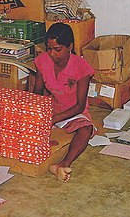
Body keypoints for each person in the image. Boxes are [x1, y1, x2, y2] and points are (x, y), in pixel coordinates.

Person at [32, 23, 96, 182]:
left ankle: (63, 164)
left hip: (73, 112)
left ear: (70, 46)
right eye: (49, 48)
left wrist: (53, 120)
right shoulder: (42, 61)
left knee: (86, 129)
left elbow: (80, 106)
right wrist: (35, 114)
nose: (52, 53)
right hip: (52, 108)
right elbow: (37, 93)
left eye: (58, 49)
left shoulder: (81, 67)